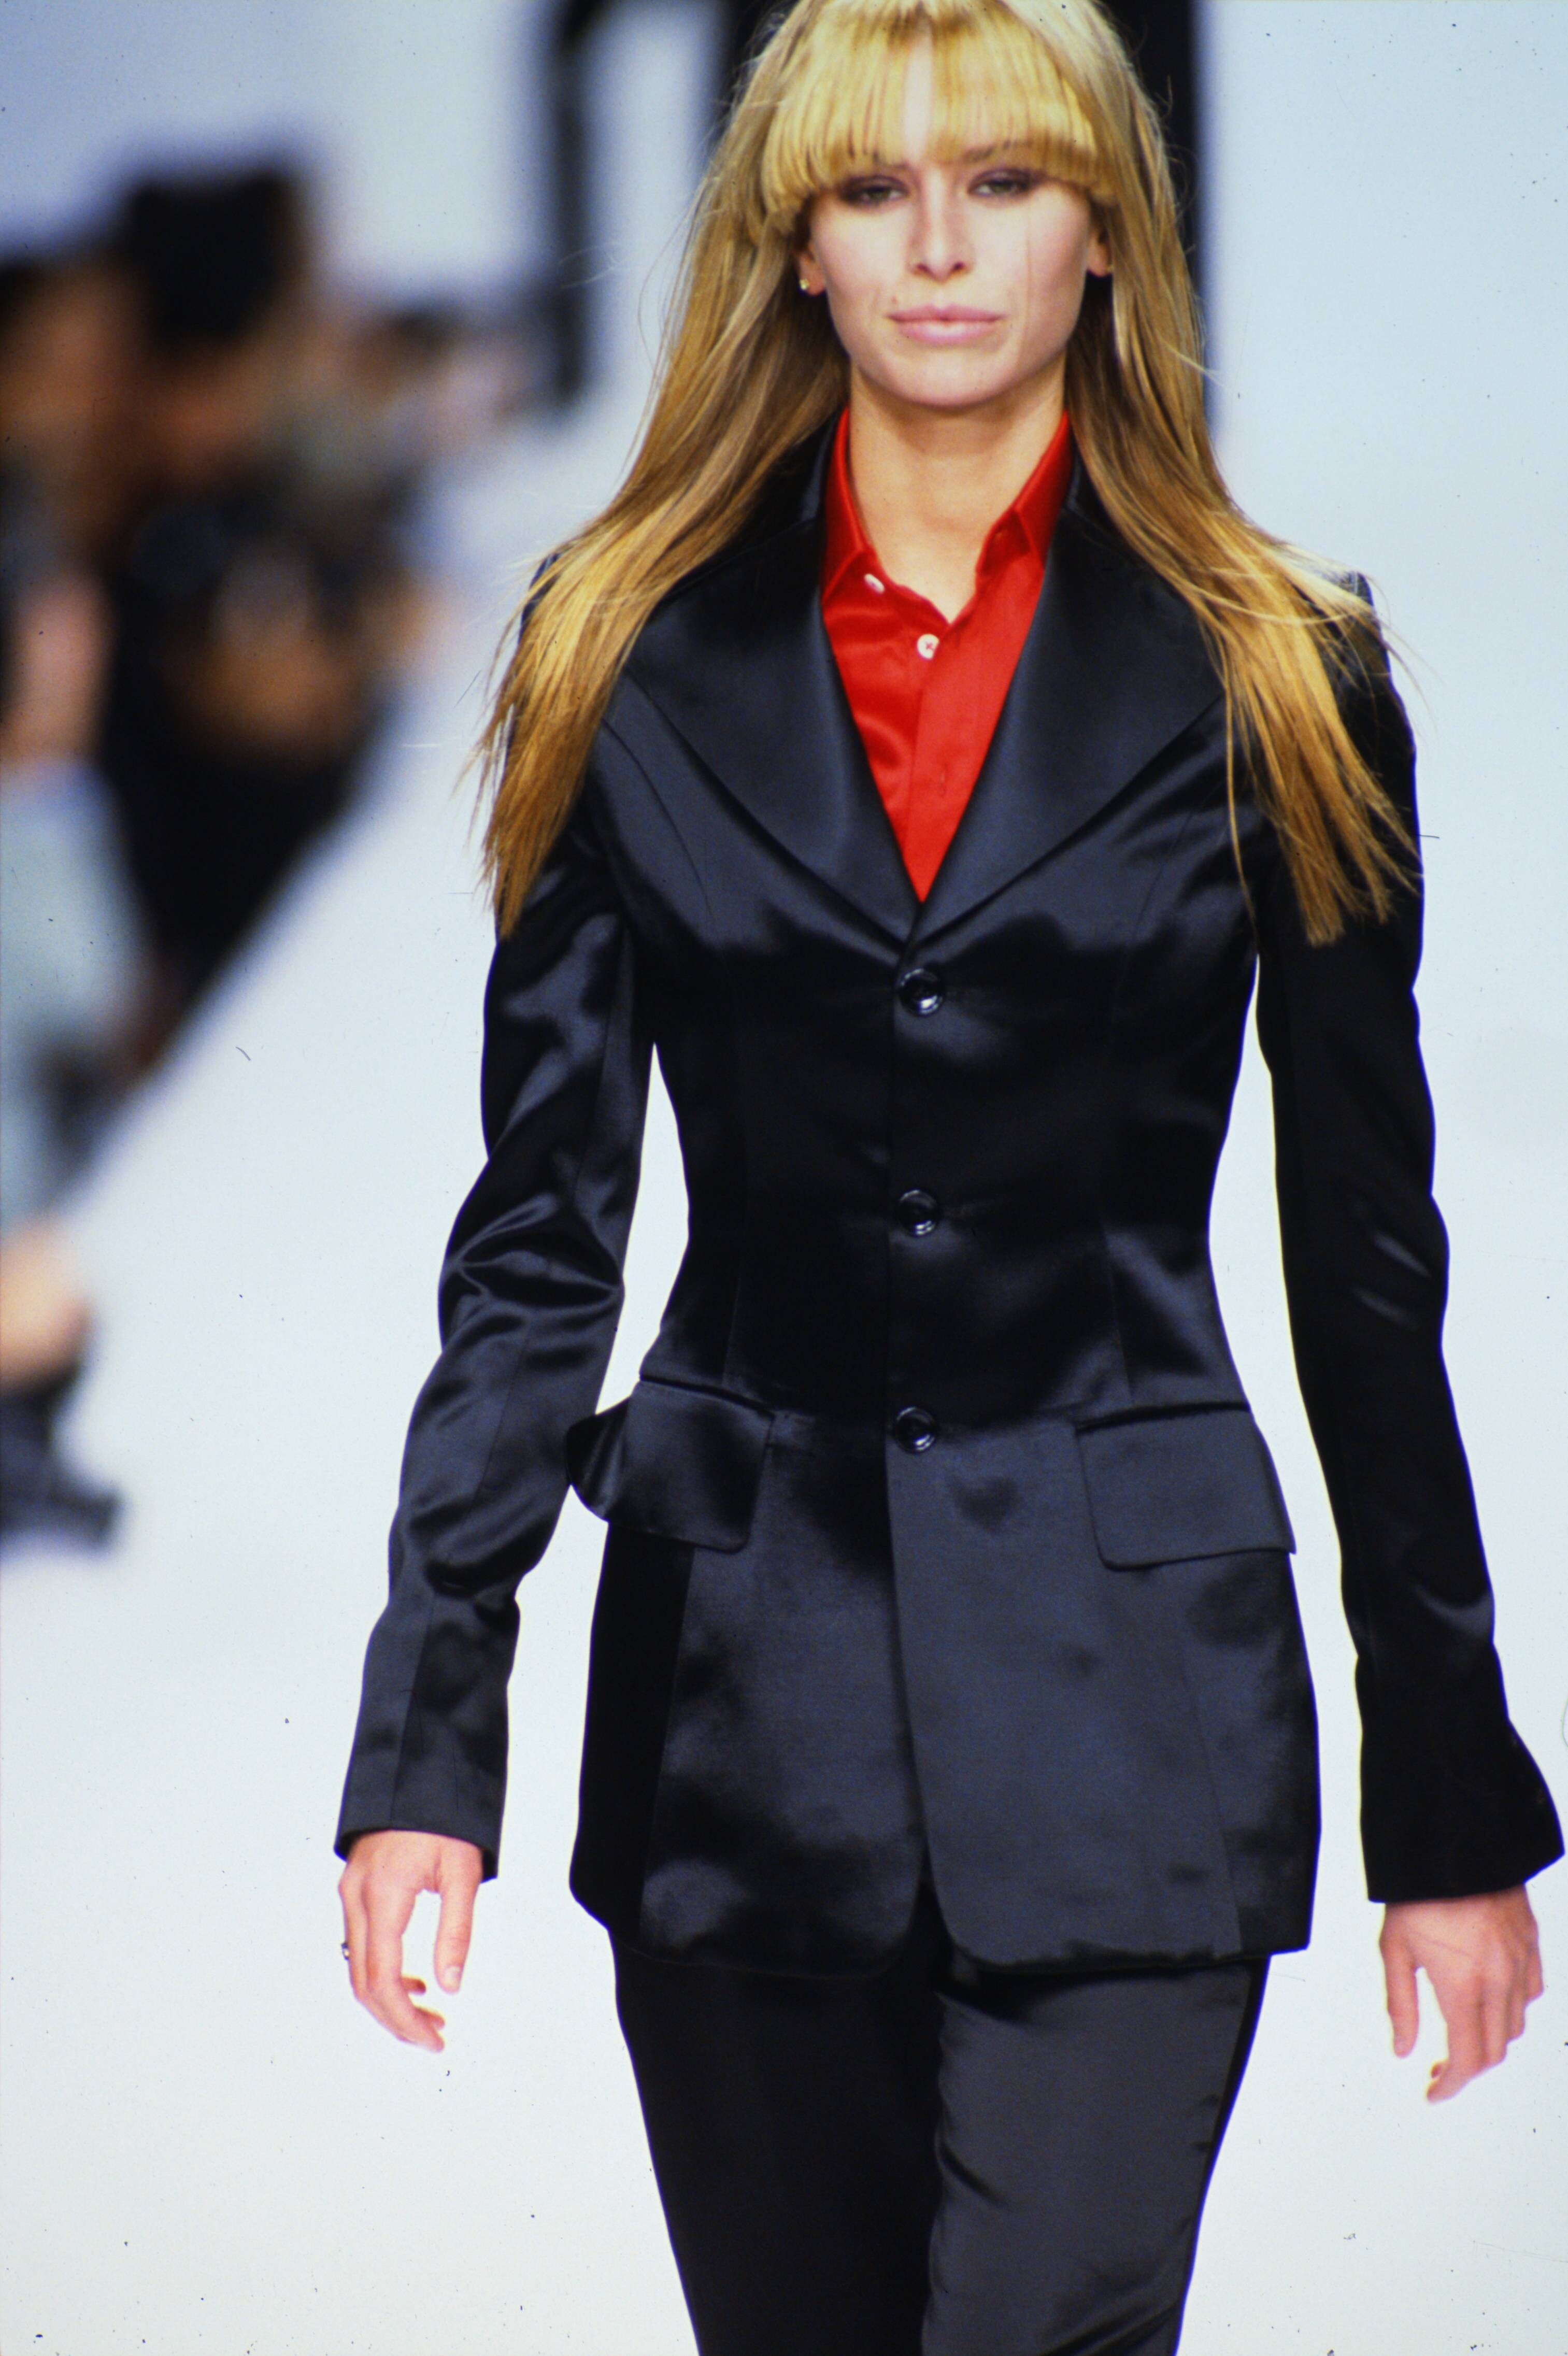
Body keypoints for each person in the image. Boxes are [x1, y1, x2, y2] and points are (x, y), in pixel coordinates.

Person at [336, 2, 1561, 2348]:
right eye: (875, 187)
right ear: (791, 240)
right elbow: (541, 1239)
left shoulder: (1277, 669)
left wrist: (1448, 1789)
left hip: (1136, 1714)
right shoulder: (622, 656)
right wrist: (428, 1733)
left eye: (1002, 182)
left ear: (1105, 226)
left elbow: (1364, 1257)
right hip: (740, 1714)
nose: (938, 246)